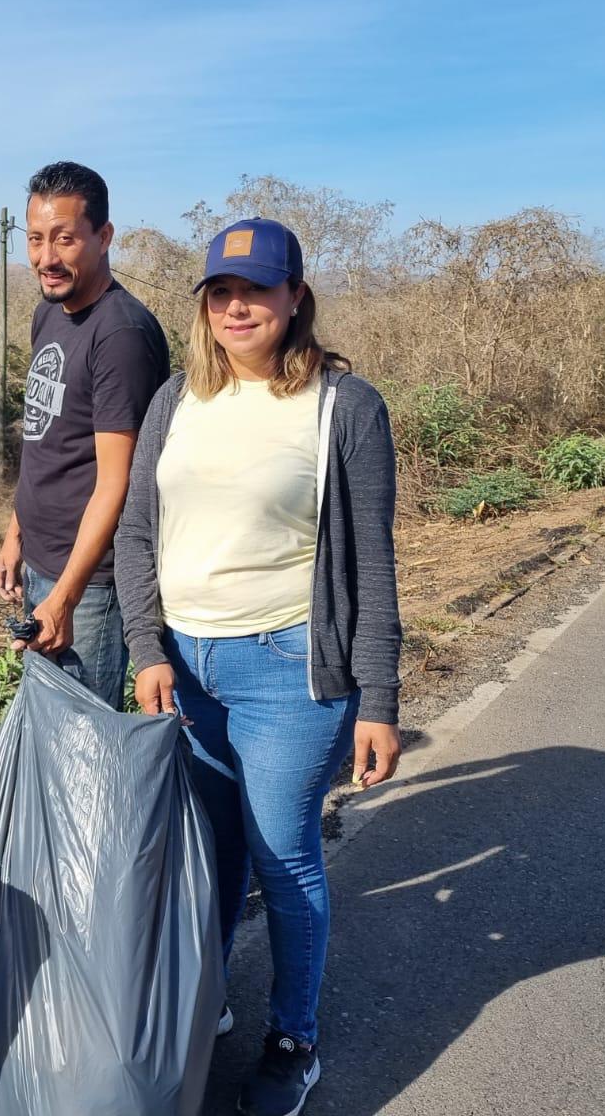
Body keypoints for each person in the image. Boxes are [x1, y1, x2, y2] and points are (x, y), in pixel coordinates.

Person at [114, 218, 402, 1116]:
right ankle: (212, 1004)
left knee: (283, 859)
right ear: (204, 303)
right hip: (187, 669)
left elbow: (374, 563)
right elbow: (134, 533)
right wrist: (148, 647)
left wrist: (379, 699)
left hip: (288, 670)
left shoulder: (341, 407)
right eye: (221, 292)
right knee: (214, 857)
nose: (238, 306)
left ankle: (294, 1036)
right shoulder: (175, 399)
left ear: (296, 299)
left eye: (258, 290)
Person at [0, 160, 170, 708]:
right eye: (37, 239)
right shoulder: (50, 314)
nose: (47, 258)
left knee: (84, 746)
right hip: (45, 565)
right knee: (55, 732)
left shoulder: (119, 334)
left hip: (91, 583)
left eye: (66, 239)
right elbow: (48, 439)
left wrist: (66, 597)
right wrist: (15, 534)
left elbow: (117, 483)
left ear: (104, 237)